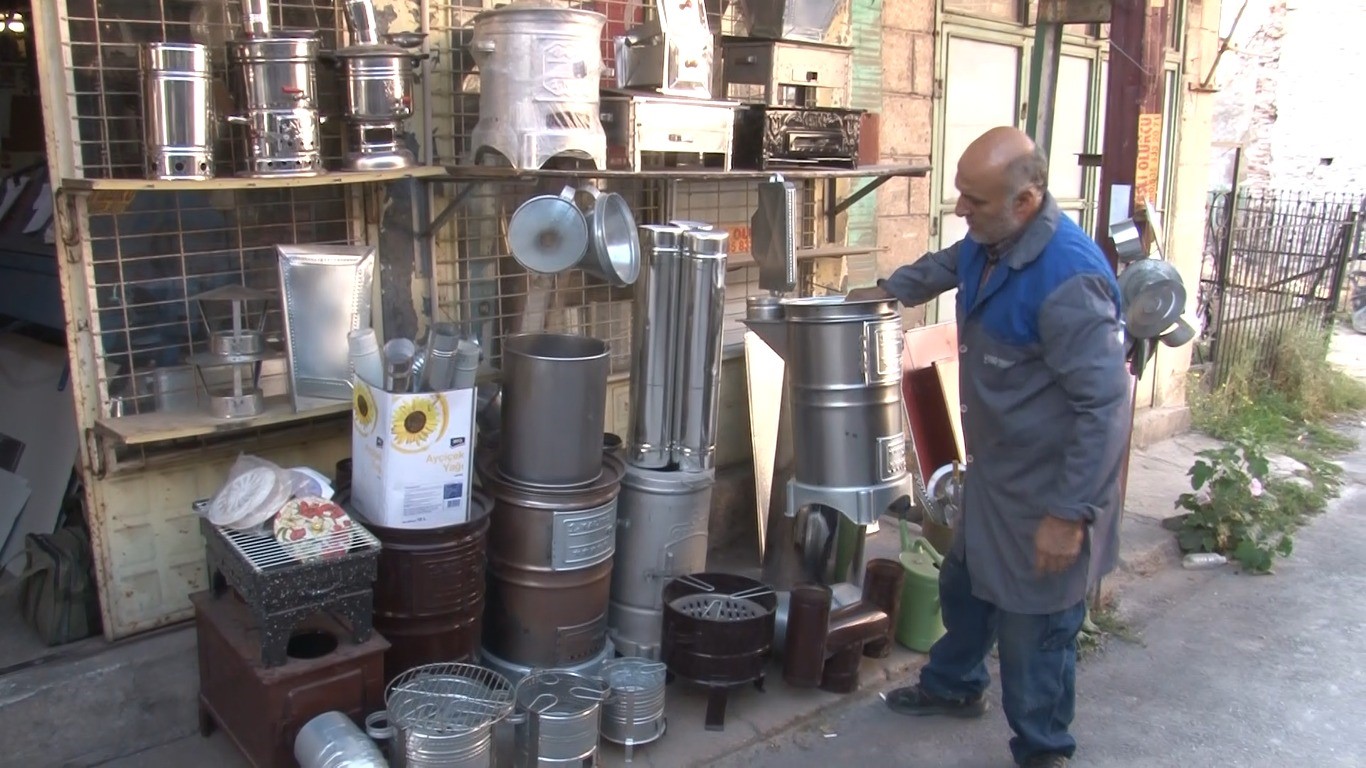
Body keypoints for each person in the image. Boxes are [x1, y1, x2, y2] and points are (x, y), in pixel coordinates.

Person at [846, 126, 1131, 768]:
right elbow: (943, 267)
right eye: (960, 196)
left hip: (1049, 492)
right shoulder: (989, 242)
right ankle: (955, 685)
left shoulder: (1068, 280)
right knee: (965, 585)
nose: (959, 211)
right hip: (996, 476)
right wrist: (879, 292)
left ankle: (1043, 748)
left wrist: (1069, 515)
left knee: (1036, 634)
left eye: (972, 201)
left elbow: (1105, 409)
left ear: (1025, 202)